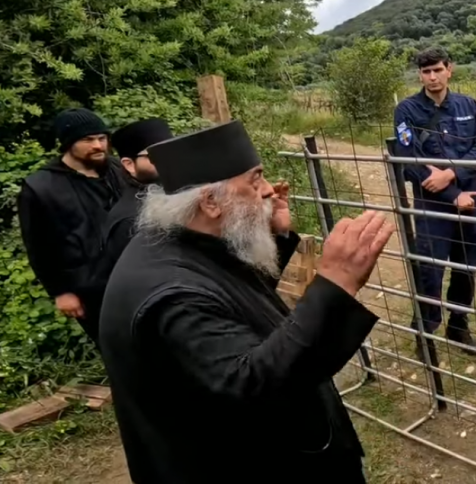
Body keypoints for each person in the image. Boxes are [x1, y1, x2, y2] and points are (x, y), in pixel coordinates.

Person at [99, 120, 394, 483]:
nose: (269, 190)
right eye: (255, 180)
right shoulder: (172, 298)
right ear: (210, 201)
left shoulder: (182, 241)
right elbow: (254, 387)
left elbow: (237, 304)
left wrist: (279, 237)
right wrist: (337, 284)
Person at [393, 47, 476, 357]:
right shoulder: (407, 111)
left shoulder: (468, 105)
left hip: (469, 198)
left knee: (467, 263)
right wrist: (450, 192)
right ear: (419, 75)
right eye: (426, 72)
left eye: (437, 70)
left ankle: (458, 325)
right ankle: (426, 331)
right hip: (431, 203)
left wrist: (451, 173)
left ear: (450, 69)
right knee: (430, 268)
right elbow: (408, 160)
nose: (432, 77)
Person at [18, 108, 126, 344]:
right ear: (67, 143)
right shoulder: (41, 188)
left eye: (102, 138)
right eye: (87, 140)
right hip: (92, 288)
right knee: (118, 350)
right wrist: (61, 291)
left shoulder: (117, 170)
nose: (98, 146)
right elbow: (39, 246)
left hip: (135, 273)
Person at [90, 118, 174, 304]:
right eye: (155, 155)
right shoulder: (130, 220)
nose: (167, 160)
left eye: (170, 151)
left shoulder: (173, 191)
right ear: (129, 164)